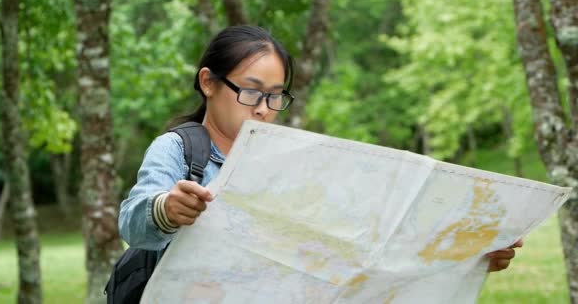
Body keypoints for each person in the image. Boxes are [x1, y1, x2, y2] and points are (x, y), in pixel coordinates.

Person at [118, 25, 521, 274]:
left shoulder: (292, 162)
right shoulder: (177, 150)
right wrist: (166, 209)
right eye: (251, 91)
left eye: (276, 96)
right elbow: (133, 224)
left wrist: (472, 254)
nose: (262, 109)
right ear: (209, 82)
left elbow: (364, 246)